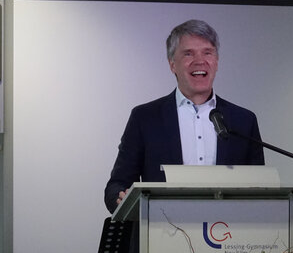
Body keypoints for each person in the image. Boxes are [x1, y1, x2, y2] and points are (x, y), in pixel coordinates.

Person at [104, 19, 265, 214]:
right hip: (164, 228)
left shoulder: (243, 121)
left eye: (207, 52)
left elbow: (261, 187)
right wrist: (121, 198)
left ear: (216, 62)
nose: (199, 61)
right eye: (188, 53)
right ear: (172, 64)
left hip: (226, 229)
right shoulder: (145, 118)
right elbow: (117, 185)